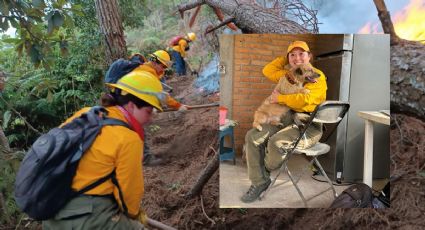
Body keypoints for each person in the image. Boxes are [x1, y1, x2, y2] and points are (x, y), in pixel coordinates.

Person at [43, 71, 165, 229]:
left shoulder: (86, 113)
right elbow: (128, 197)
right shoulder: (128, 138)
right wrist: (134, 217)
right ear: (131, 105)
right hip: (83, 218)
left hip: (50, 209)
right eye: (148, 112)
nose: (150, 118)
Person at [241, 41, 328, 203]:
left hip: (307, 124)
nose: (297, 58)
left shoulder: (318, 76)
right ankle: (260, 182)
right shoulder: (289, 73)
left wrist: (279, 98)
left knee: (276, 142)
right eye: (293, 54)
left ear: (309, 56)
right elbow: (267, 70)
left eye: (301, 53)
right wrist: (287, 59)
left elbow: (305, 100)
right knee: (252, 136)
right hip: (284, 117)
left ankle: (263, 170)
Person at [132, 50, 189, 166]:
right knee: (137, 130)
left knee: (135, 131)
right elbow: (162, 96)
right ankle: (146, 159)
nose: (163, 69)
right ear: (154, 62)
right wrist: (179, 106)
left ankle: (138, 156)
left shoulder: (144, 69)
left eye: (165, 66)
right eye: (162, 66)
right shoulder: (148, 73)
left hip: (130, 103)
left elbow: (148, 93)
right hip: (129, 105)